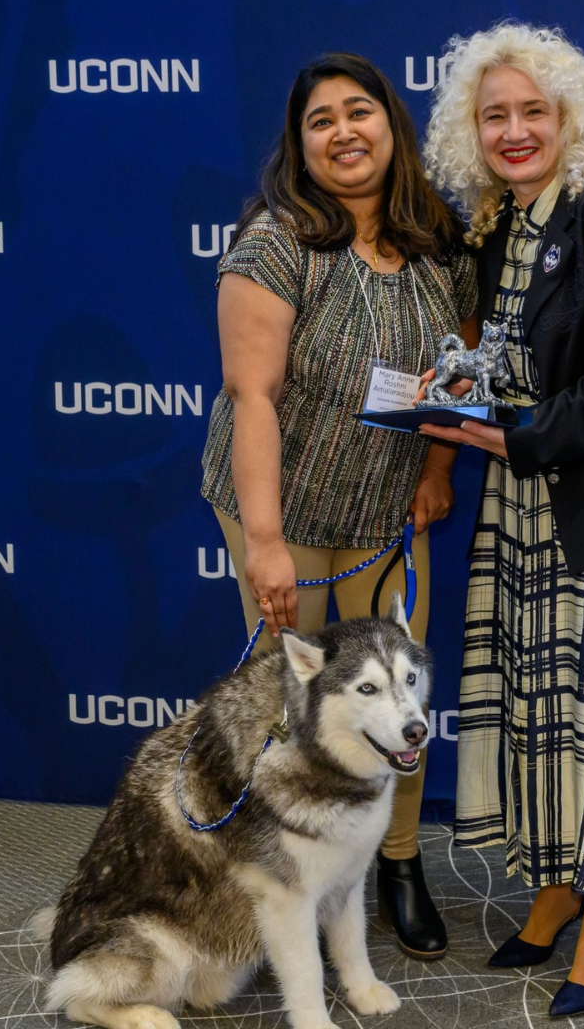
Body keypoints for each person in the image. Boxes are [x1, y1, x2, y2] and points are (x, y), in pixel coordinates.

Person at [418, 22, 584, 1016]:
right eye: (496, 115)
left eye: (534, 110)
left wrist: (513, 439)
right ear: (471, 132)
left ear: (572, 118)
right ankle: (559, 883)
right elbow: (500, 366)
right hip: (519, 509)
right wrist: (447, 396)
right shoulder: (495, 225)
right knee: (535, 707)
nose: (515, 129)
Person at [199, 52, 474, 960]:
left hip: (388, 509)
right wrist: (267, 542)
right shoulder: (277, 245)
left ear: (392, 129)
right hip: (284, 510)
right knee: (294, 709)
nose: (344, 132)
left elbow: (456, 378)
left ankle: (398, 863)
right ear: (301, 145)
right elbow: (254, 400)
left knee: (400, 699)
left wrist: (436, 471)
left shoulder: (440, 246)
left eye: (361, 112)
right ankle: (288, 881)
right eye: (322, 121)